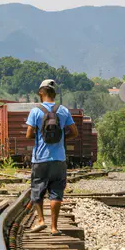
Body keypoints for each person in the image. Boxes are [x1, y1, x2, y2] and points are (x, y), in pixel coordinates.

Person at [25, 79, 78, 235]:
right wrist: (62, 139)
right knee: (56, 192)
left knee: (37, 190)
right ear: (55, 94)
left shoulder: (35, 111)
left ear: (42, 92)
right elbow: (74, 132)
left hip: (40, 158)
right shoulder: (63, 111)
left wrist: (39, 135)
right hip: (59, 159)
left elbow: (28, 134)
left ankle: (41, 220)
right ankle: (54, 227)